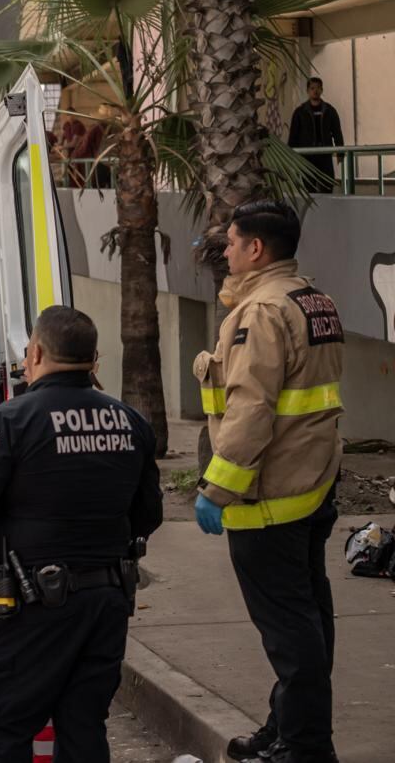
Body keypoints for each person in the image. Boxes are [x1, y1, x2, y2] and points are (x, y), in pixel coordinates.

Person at [0, 306, 162, 763]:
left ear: (35, 352)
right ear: (94, 360)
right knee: (83, 725)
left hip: (31, 604)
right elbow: (148, 513)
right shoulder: (129, 421)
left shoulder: (10, 421)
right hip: (106, 601)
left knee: (0, 722)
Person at [193, 202, 344, 763]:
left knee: (289, 629)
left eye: (231, 243)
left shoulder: (260, 313)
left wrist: (216, 489)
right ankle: (287, 726)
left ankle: (303, 746)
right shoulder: (313, 299)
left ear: (256, 248)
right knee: (308, 616)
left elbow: (251, 410)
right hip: (313, 482)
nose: (225, 252)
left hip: (271, 497)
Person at [288, 77, 344, 193]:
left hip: (325, 155)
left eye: (318, 88)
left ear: (322, 90)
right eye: (312, 88)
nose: (315, 91)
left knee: (328, 187)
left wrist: (340, 152)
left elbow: (337, 132)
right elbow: (294, 135)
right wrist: (291, 155)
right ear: (307, 91)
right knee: (309, 189)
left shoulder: (329, 110)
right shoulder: (300, 112)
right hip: (307, 156)